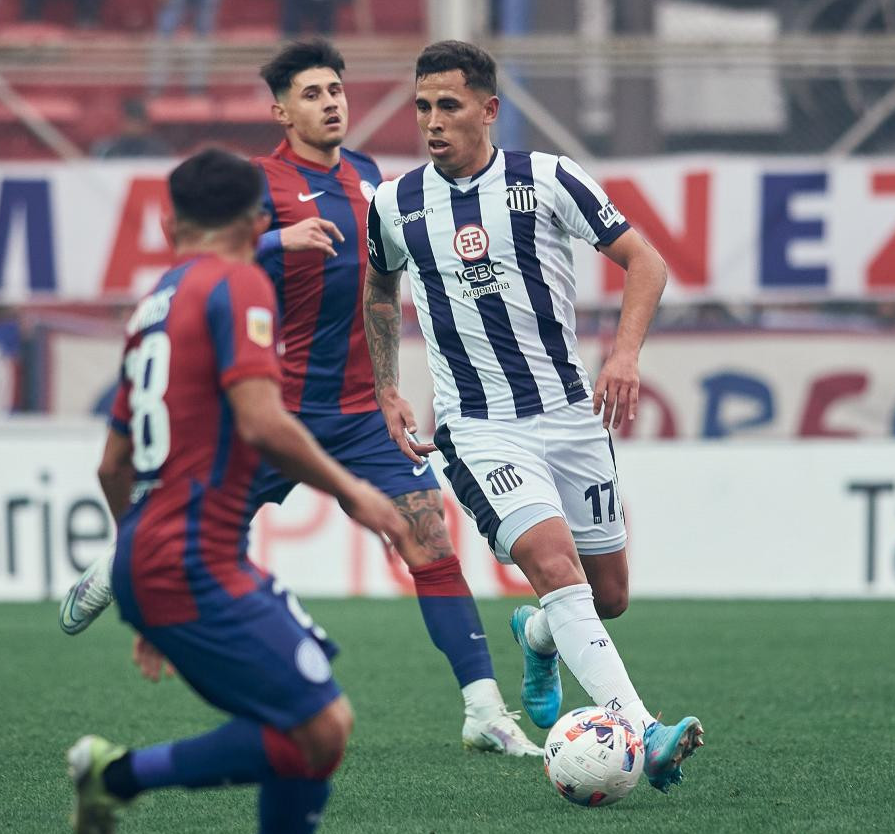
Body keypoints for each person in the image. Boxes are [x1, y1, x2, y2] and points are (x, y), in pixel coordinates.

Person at [61, 39, 540, 758]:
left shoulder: (374, 177)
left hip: (358, 417)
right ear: (281, 111)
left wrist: (387, 386)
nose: (332, 102)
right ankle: (119, 562)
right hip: (270, 415)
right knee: (188, 534)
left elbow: (382, 289)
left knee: (432, 544)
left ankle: (484, 710)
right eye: (313, 93)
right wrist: (280, 240)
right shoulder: (258, 185)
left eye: (337, 90)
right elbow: (199, 269)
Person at [362, 40, 705, 793]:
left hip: (570, 414)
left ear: (489, 109)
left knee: (606, 594)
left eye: (448, 105)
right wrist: (388, 386)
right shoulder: (396, 202)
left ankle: (541, 634)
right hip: (479, 428)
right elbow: (381, 292)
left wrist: (623, 356)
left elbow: (645, 261)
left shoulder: (548, 180)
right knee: (554, 564)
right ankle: (643, 732)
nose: (432, 122)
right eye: (422, 107)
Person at [66, 147, 407, 834]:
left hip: (175, 558)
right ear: (258, 221)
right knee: (321, 728)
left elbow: (112, 463)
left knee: (311, 724)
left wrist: (137, 568)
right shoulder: (240, 282)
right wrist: (355, 491)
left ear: (167, 221)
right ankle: (116, 774)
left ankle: (118, 775)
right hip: (190, 559)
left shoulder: (151, 305)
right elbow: (262, 420)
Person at [90, 99, 172, 159]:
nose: (134, 126)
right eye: (130, 121)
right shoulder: (106, 147)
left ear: (145, 123)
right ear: (122, 121)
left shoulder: (158, 149)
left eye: (138, 122)